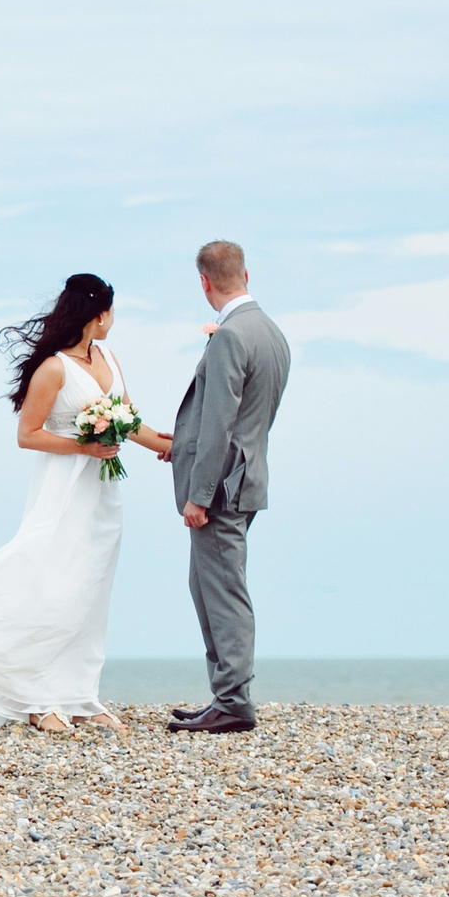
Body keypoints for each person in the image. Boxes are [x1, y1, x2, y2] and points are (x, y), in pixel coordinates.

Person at [0, 273, 174, 733]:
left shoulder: (109, 358)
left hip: (102, 492)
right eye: (112, 312)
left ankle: (80, 694)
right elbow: (28, 435)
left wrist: (167, 444)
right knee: (55, 582)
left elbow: (129, 419)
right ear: (99, 314)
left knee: (91, 587)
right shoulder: (55, 368)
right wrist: (84, 446)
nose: (114, 320)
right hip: (64, 487)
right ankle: (38, 697)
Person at [163, 240, 290, 735]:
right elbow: (247, 418)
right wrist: (182, 445)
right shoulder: (270, 332)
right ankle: (225, 695)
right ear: (246, 275)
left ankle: (233, 702)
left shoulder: (232, 335)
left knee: (223, 590)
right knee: (207, 584)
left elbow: (219, 422)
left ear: (204, 282)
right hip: (247, 472)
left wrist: (199, 493)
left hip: (220, 485)